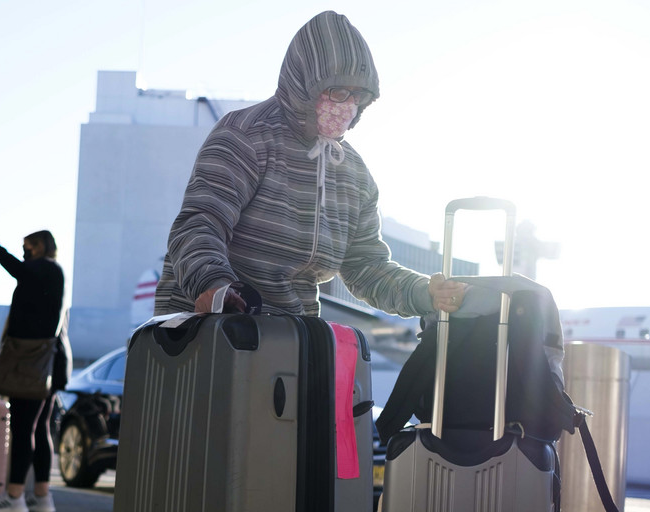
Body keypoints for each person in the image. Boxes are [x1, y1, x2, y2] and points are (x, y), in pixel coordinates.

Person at [154, 11, 466, 321]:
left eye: (358, 96)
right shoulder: (246, 136)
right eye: (337, 91)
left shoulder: (354, 176)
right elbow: (201, 224)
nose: (346, 105)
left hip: (290, 333)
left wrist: (423, 292)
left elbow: (366, 267)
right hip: (210, 325)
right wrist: (212, 284)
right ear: (305, 85)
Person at [0, 230, 66, 512]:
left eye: (28, 247)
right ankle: (42, 496)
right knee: (40, 428)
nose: (25, 253)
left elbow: (17, 269)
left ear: (40, 247)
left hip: (31, 362)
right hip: (51, 362)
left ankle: (14, 497)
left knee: (24, 427)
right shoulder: (54, 274)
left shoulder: (43, 269)